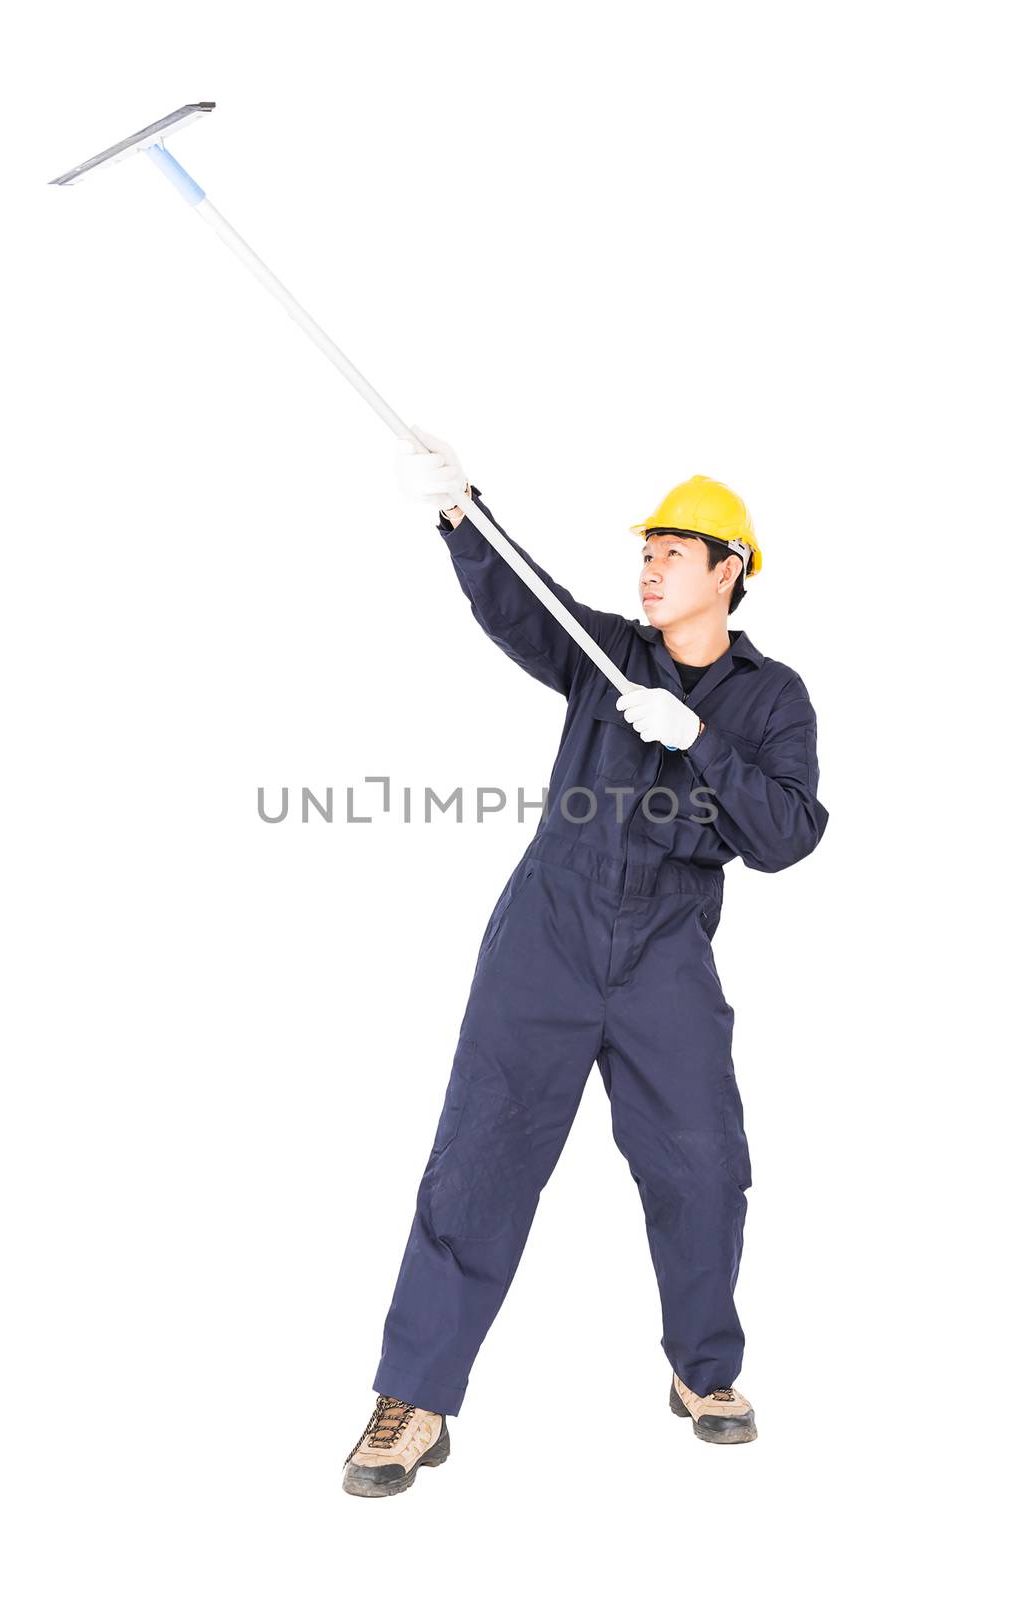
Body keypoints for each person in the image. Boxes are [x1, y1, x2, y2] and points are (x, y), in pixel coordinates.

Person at [341, 428, 828, 1496]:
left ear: (726, 571)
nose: (647, 568)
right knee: (478, 1159)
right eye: (643, 552)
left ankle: (703, 1372)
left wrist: (694, 735)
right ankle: (411, 1397)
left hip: (663, 955)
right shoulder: (604, 655)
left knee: (701, 1164)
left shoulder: (771, 697)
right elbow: (523, 603)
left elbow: (787, 834)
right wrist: (463, 515)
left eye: (670, 552)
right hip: (545, 939)